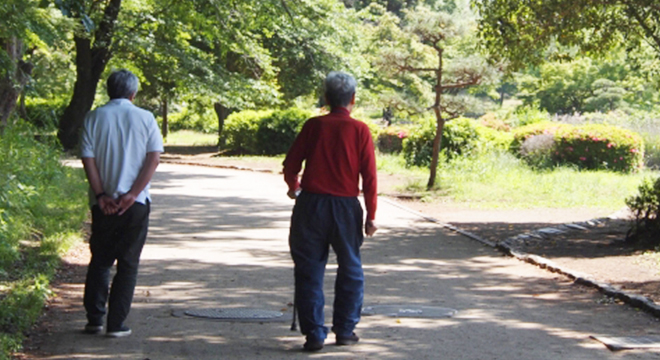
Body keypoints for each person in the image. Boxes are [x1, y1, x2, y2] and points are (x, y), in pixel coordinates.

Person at [283, 71, 378, 352]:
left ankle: (314, 334)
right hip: (346, 206)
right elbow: (369, 178)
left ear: (325, 98)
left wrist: (294, 186)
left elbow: (291, 164)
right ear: (353, 99)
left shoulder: (313, 126)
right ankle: (345, 330)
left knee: (309, 268)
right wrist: (371, 215)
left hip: (311, 204)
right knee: (350, 266)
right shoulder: (360, 130)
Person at [80, 69, 163, 338]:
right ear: (133, 93)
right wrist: (132, 193)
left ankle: (94, 319)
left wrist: (102, 194)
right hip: (135, 203)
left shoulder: (93, 117)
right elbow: (153, 158)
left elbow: (88, 160)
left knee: (100, 260)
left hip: (103, 203)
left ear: (108, 90)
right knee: (128, 263)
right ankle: (116, 324)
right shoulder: (146, 118)